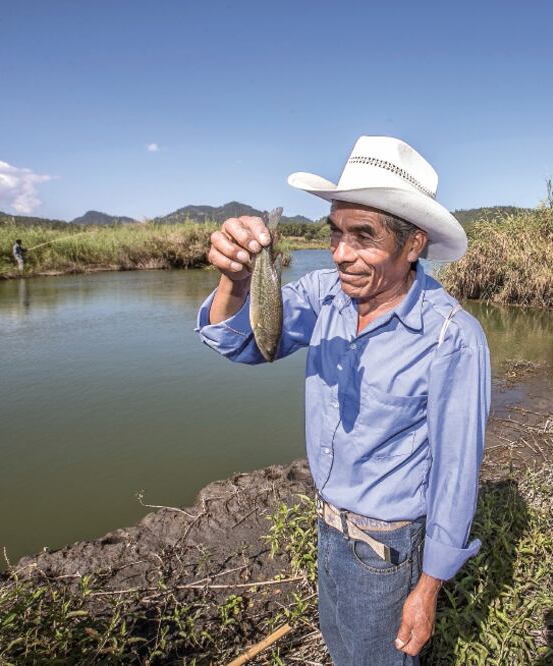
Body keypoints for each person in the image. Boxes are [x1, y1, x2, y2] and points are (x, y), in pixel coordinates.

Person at [196, 136, 490, 664]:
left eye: (363, 237)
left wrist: (427, 590)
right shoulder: (322, 295)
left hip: (386, 552)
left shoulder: (452, 338)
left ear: (414, 244)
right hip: (328, 528)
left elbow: (455, 474)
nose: (341, 255)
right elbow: (242, 343)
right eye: (335, 234)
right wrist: (235, 281)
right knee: (342, 651)